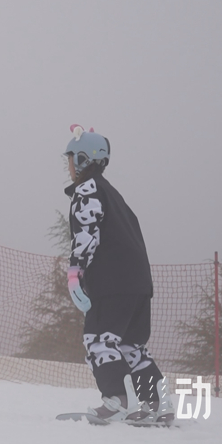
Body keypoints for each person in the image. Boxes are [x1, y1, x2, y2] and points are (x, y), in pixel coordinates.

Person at [63, 124, 174, 424]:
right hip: (137, 284)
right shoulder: (114, 195)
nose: (68, 165)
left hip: (112, 284)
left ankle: (116, 401)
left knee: (98, 341)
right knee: (129, 346)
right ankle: (156, 403)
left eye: (71, 158)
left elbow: (87, 235)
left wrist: (75, 273)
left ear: (84, 159)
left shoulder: (87, 190)